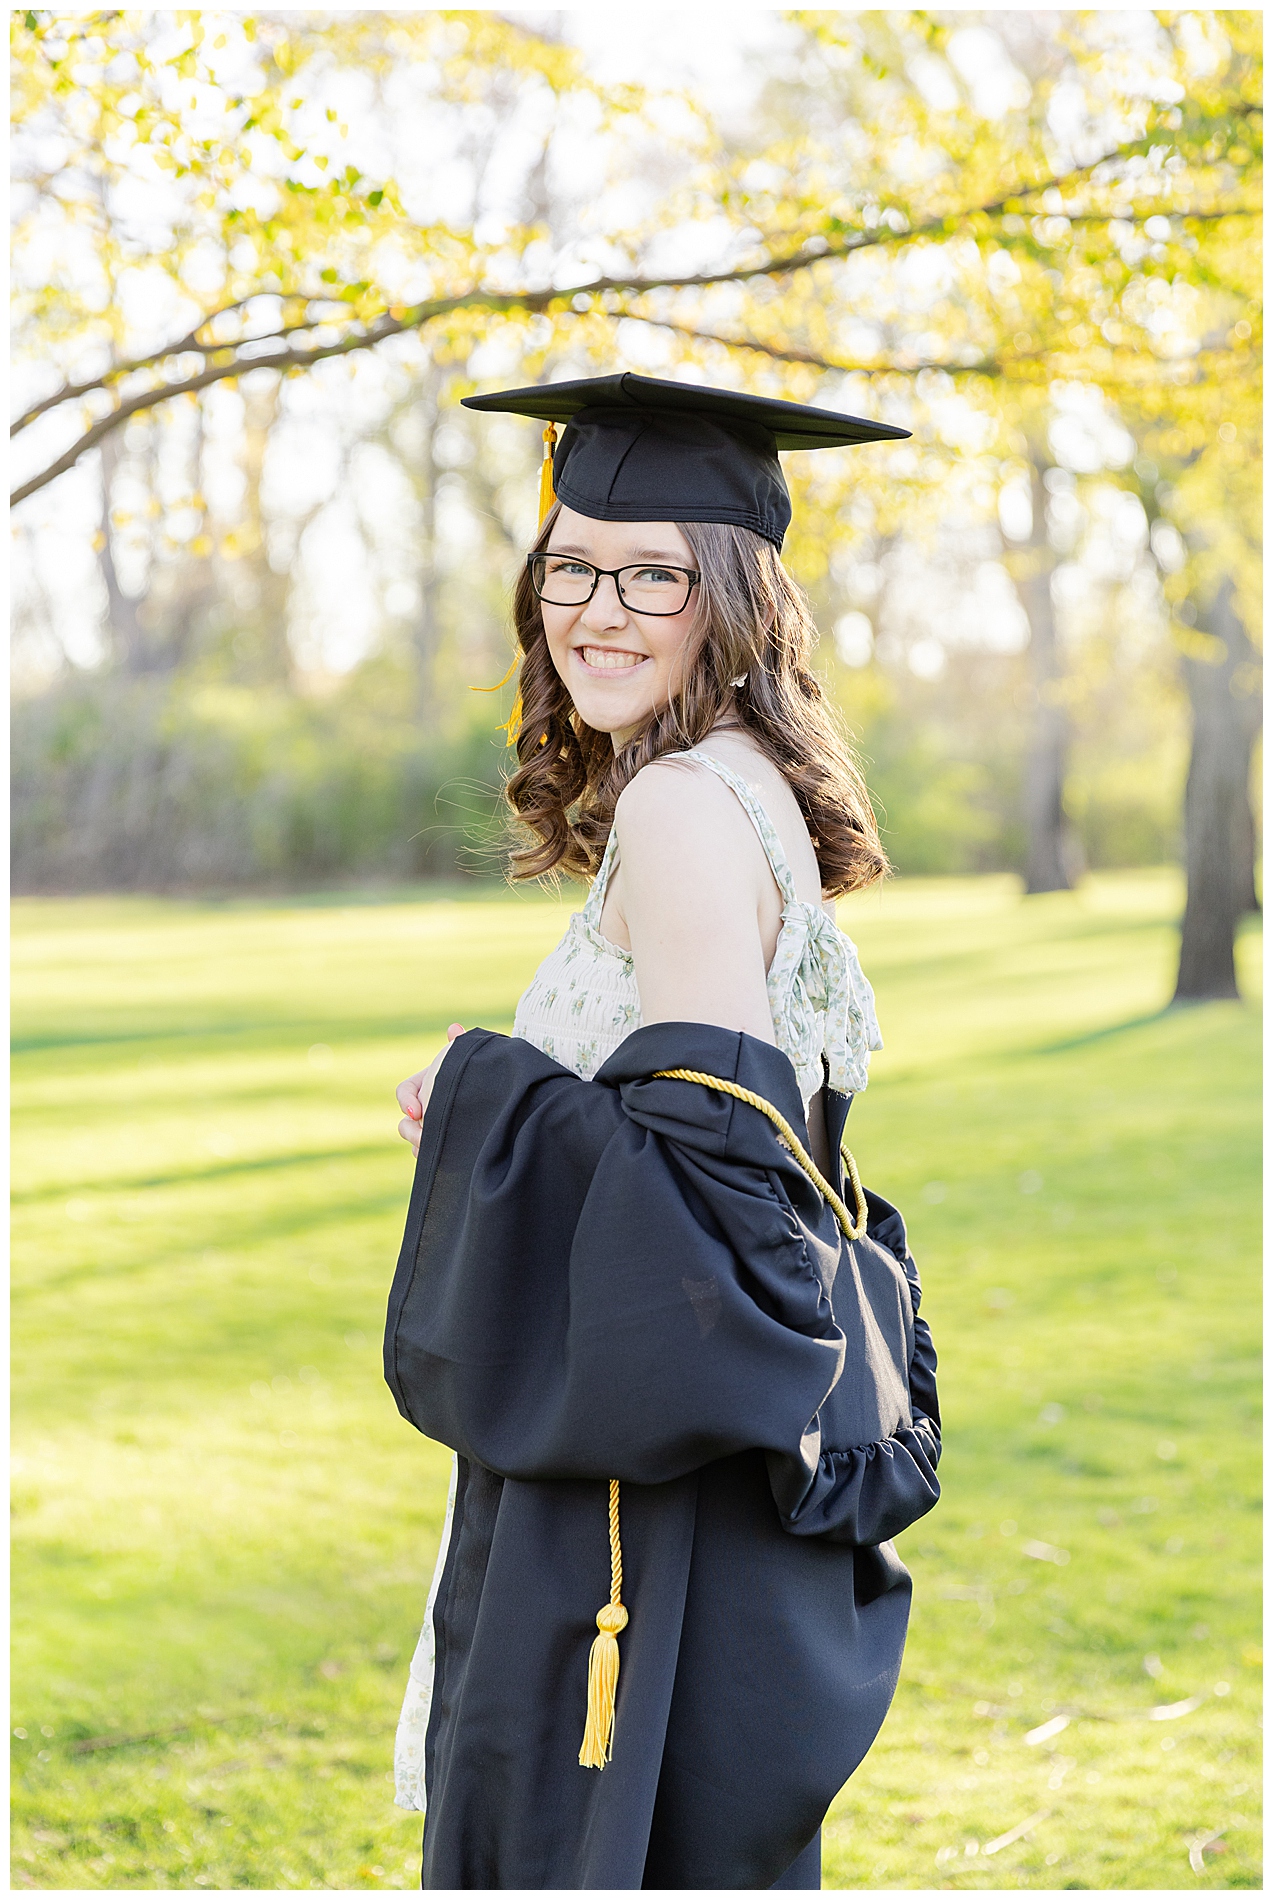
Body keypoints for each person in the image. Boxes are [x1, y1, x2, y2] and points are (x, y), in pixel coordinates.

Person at [385, 374, 941, 1890]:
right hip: (701, 1454)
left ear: (735, 601)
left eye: (653, 574)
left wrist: (481, 1096)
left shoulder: (684, 810)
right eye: (571, 565)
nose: (598, 609)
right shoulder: (746, 788)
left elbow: (703, 1187)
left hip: (640, 1496)